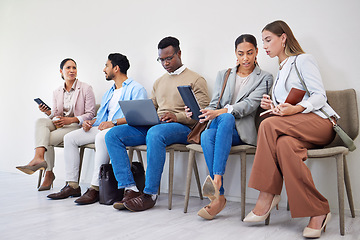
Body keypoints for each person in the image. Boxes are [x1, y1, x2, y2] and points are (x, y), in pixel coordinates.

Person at [243, 20, 339, 239]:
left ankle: (267, 194)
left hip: (321, 123)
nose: (265, 46)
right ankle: (319, 211)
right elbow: (287, 111)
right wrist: (273, 106)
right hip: (297, 129)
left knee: (267, 124)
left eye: (268, 40)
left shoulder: (303, 60)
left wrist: (294, 107)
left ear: (283, 38)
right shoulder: (280, 72)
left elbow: (319, 96)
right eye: (263, 41)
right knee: (285, 145)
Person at [105, 36, 210, 212]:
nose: (165, 63)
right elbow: (152, 106)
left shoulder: (196, 79)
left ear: (179, 53)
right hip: (156, 125)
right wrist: (139, 113)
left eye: (169, 58)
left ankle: (150, 194)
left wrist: (178, 116)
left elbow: (203, 113)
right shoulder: (159, 81)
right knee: (113, 135)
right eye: (161, 59)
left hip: (184, 129)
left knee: (155, 134)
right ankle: (129, 189)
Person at [186, 34, 273, 220]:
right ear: (235, 53)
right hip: (220, 125)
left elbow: (249, 105)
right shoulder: (224, 75)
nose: (245, 58)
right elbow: (214, 103)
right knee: (209, 133)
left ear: (257, 52)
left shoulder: (265, 77)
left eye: (250, 53)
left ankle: (217, 186)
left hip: (241, 131)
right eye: (241, 53)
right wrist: (198, 112)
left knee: (217, 127)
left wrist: (222, 112)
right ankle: (220, 191)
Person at [47, 53, 147, 202]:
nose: (104, 69)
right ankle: (72, 185)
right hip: (104, 127)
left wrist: (113, 123)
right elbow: (100, 118)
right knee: (70, 138)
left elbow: (139, 117)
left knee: (102, 136)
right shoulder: (109, 92)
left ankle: (94, 188)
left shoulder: (136, 89)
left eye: (107, 66)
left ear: (116, 68)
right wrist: (90, 122)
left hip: (120, 129)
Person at [16, 58, 96, 191]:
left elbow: (90, 114)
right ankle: (39, 158)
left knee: (46, 139)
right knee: (41, 122)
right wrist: (48, 112)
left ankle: (48, 172)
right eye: (68, 68)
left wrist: (70, 120)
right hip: (62, 125)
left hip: (76, 126)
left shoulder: (86, 88)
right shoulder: (57, 91)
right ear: (61, 71)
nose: (71, 71)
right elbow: (57, 115)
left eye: (74, 68)